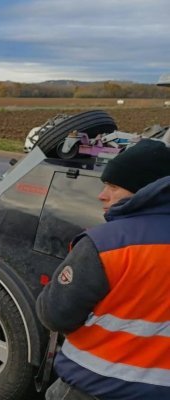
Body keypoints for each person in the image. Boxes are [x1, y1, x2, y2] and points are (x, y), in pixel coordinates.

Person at [36, 139, 170, 399]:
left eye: (113, 186)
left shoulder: (105, 244)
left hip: (97, 385)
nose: (102, 195)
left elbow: (55, 315)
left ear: (145, 190)